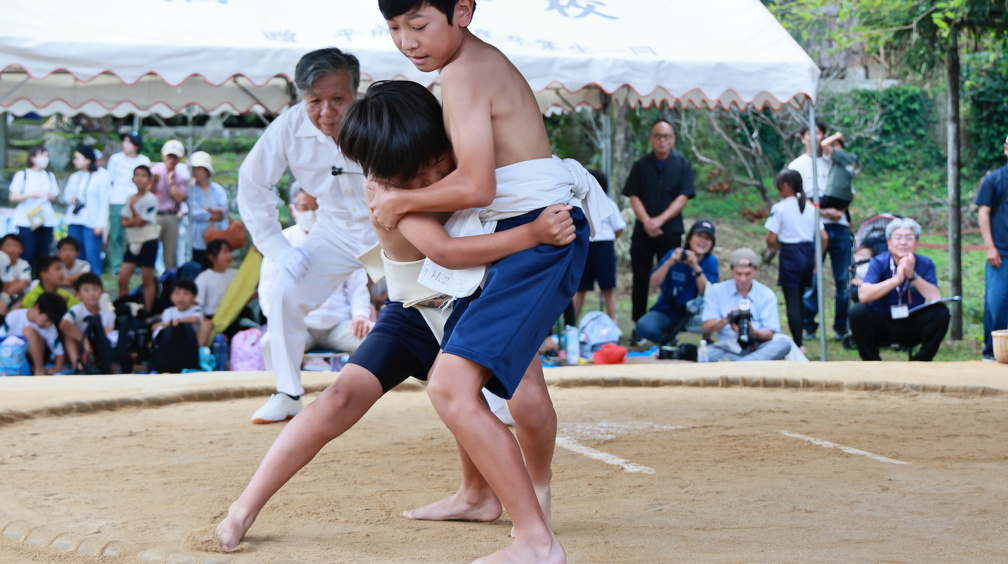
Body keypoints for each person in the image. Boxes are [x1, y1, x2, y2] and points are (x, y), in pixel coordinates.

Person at [217, 79, 576, 553]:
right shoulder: (386, 195)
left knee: (526, 398)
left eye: (436, 166)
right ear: (383, 174)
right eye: (414, 180)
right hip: (415, 311)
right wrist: (533, 234)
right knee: (340, 398)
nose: (429, 184)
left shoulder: (464, 159)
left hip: (475, 302)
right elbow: (446, 252)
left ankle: (518, 491)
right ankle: (243, 507)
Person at [372, 3, 611, 561]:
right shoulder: (462, 70)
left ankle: (535, 539)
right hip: (510, 231)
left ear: (462, 11)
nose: (407, 41)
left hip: (534, 234)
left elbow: (478, 185)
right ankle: (496, 500)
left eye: (418, 25)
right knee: (503, 384)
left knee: (450, 385)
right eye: (394, 29)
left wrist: (400, 199)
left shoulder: (464, 73)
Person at [236, 47, 378, 424]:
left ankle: (486, 392)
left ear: (355, 91)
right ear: (302, 97)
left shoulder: (380, 116)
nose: (326, 112)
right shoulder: (288, 126)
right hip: (335, 228)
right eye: (315, 101)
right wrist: (279, 249)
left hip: (394, 224)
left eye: (337, 99)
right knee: (286, 292)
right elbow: (252, 185)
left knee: (436, 302)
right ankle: (288, 393)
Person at [254, 186, 372, 423]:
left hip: (340, 323)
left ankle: (359, 397)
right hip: (299, 324)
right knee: (270, 340)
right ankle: (285, 394)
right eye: (304, 207)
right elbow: (267, 290)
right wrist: (278, 322)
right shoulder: (281, 242)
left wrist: (360, 314)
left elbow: (357, 285)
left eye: (315, 206)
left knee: (375, 339)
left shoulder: (343, 239)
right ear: (293, 210)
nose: (311, 212)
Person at [622, 119, 696, 345]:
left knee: (673, 277)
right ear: (651, 139)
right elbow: (633, 195)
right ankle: (638, 326)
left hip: (670, 231)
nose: (662, 140)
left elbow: (683, 197)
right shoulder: (640, 165)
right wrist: (647, 221)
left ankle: (669, 327)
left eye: (666, 136)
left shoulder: (683, 165)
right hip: (643, 231)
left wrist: (660, 220)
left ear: (673, 139)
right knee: (641, 278)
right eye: (658, 136)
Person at [849, 218, 950, 361]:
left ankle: (920, 361)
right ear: (889, 242)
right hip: (882, 321)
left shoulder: (925, 263)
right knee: (858, 311)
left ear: (917, 243)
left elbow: (935, 296)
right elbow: (864, 295)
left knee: (941, 312)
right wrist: (896, 280)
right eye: (898, 238)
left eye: (909, 238)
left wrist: (912, 275)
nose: (903, 242)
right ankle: (872, 362)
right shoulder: (878, 262)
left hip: (911, 322)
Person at [788, 120, 851, 342]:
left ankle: (842, 327)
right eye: (810, 133)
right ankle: (808, 325)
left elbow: (849, 190)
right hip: (812, 226)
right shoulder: (796, 166)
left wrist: (839, 211)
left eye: (819, 133)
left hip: (839, 225)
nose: (815, 137)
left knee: (843, 279)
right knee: (812, 278)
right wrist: (823, 212)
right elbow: (795, 197)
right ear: (802, 138)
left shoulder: (834, 161)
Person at [763, 170, 827, 349]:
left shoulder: (779, 208)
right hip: (807, 253)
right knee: (800, 297)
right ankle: (801, 336)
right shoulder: (811, 208)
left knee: (792, 300)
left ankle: (799, 344)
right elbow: (824, 236)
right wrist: (817, 258)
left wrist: (771, 247)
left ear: (785, 186)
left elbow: (771, 237)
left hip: (790, 253)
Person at [635, 219, 719, 345]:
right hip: (668, 310)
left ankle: (707, 343)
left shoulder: (711, 261)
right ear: (690, 238)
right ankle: (670, 343)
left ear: (712, 244)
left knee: (717, 321)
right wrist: (669, 263)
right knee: (644, 326)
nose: (702, 241)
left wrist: (695, 267)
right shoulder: (673, 254)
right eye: (699, 236)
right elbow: (652, 283)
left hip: (695, 314)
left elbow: (707, 293)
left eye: (707, 238)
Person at [700, 248, 793, 361]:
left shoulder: (767, 295)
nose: (743, 279)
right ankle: (749, 363)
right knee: (706, 353)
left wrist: (754, 332)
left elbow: (770, 333)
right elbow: (706, 327)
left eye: (747, 274)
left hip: (757, 345)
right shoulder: (717, 291)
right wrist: (728, 319)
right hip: (729, 345)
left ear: (756, 270)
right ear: (732, 271)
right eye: (738, 274)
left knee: (784, 343)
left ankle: (740, 364)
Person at [572, 169, 626, 321]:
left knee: (607, 287)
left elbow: (619, 227)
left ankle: (612, 323)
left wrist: (608, 238)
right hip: (585, 247)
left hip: (604, 247)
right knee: (580, 288)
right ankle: (572, 325)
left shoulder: (608, 203)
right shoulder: (578, 203)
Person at [976, 135, 1008, 361]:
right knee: (997, 303)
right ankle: (992, 352)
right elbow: (983, 212)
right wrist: (990, 247)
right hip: (1001, 254)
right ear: (1006, 150)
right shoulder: (994, 179)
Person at [6, 146, 59, 271]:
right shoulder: (23, 175)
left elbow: (55, 195)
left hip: (45, 219)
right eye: (42, 156)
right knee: (28, 251)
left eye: (46, 156)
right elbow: (12, 197)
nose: (45, 159)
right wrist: (31, 195)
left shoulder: (49, 176)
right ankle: (25, 276)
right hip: (26, 219)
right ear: (33, 157)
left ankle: (41, 277)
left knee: (44, 253)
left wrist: (50, 196)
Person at [106, 131, 151, 274]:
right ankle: (117, 266)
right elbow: (110, 180)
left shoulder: (144, 160)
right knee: (116, 235)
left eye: (129, 142)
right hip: (118, 200)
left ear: (136, 146)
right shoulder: (115, 159)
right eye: (125, 141)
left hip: (137, 201)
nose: (125, 145)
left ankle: (135, 264)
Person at [118, 165, 161, 312]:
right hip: (133, 241)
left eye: (143, 175)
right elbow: (124, 222)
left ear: (149, 179)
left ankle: (148, 311)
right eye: (137, 175)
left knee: (147, 278)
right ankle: (124, 308)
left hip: (148, 241)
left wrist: (133, 208)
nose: (140, 178)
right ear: (132, 179)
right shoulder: (129, 198)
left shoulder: (152, 199)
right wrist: (132, 218)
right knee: (122, 278)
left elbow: (141, 221)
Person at [62, 144, 110, 275]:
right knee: (76, 254)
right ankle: (76, 281)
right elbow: (66, 195)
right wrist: (71, 199)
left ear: (88, 160)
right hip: (74, 219)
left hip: (92, 221)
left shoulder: (101, 176)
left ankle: (94, 280)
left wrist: (101, 224)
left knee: (92, 254)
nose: (75, 161)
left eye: (78, 158)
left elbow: (104, 202)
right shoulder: (74, 176)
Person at [58, 272, 115, 372]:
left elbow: (109, 332)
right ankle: (78, 365)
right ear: (78, 295)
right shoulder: (75, 310)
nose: (91, 294)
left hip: (99, 346)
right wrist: (84, 340)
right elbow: (63, 324)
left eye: (95, 289)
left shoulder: (108, 312)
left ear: (102, 292)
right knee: (68, 336)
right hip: (81, 345)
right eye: (86, 290)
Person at [0, 291, 67, 375]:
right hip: (13, 357)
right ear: (37, 308)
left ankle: (39, 369)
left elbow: (59, 353)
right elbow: (1, 338)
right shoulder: (14, 316)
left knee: (28, 331)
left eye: (51, 322)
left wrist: (56, 368)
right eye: (46, 320)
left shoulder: (50, 328)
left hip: (38, 359)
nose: (48, 324)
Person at [150, 139, 189, 270]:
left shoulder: (181, 176)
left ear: (180, 158)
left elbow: (180, 198)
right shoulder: (154, 171)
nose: (171, 160)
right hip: (154, 215)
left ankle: (169, 277)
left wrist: (171, 182)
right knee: (149, 250)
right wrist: (153, 182)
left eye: (175, 157)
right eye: (169, 156)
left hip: (172, 215)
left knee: (170, 252)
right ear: (163, 156)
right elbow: (146, 195)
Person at [187, 151, 229, 265]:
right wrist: (212, 212)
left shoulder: (217, 189)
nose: (196, 172)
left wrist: (207, 210)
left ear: (206, 171)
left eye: (199, 169)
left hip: (219, 234)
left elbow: (223, 211)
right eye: (194, 169)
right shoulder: (191, 191)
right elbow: (193, 213)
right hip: (198, 238)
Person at [194, 239, 238, 347]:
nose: (229, 255)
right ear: (212, 257)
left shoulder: (236, 275)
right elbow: (196, 304)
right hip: (213, 319)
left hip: (232, 316)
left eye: (230, 251)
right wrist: (205, 321)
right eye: (225, 252)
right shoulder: (204, 278)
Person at [819, 131, 857, 212]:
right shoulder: (850, 158)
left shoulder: (840, 155)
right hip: (845, 199)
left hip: (833, 196)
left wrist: (837, 135)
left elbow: (824, 144)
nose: (827, 153)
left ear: (836, 145)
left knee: (811, 203)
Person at [0, 234, 32, 314]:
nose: (12, 249)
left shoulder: (24, 265)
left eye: (15, 246)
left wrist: (5, 292)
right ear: (1, 248)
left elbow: (22, 285)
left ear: (22, 249)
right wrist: (13, 283)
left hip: (14, 298)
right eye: (8, 245)